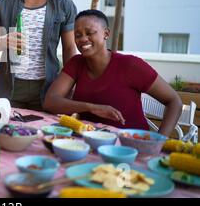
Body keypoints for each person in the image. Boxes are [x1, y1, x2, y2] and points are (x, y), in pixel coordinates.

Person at [43, 9, 182, 136]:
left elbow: (174, 101)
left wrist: (160, 140)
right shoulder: (76, 63)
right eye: (78, 35)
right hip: (89, 142)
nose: (83, 39)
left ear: (106, 33)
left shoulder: (130, 65)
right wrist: (91, 108)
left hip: (131, 145)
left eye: (90, 33)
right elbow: (50, 101)